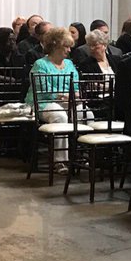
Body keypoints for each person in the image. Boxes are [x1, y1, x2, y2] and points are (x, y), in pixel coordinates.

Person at [25, 25, 81, 170]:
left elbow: (75, 85)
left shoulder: (69, 64)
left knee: (85, 113)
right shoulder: (41, 64)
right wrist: (62, 95)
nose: (69, 50)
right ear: (55, 45)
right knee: (60, 116)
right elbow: (43, 89)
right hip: (42, 102)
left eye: (70, 47)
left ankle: (79, 156)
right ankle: (60, 161)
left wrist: (75, 94)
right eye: (66, 47)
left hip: (65, 101)